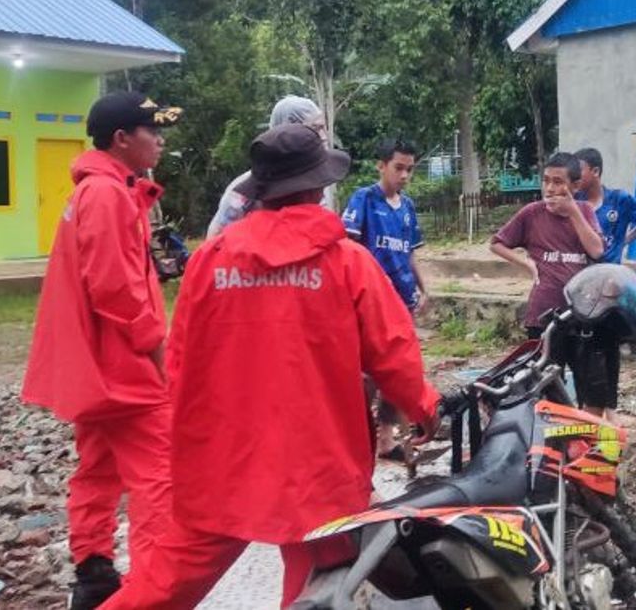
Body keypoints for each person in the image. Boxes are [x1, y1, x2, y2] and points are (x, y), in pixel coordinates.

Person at [101, 124, 441, 609]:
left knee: (164, 584)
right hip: (315, 465)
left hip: (223, 457)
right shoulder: (347, 262)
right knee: (316, 585)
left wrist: (184, 439)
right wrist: (425, 410)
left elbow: (179, 361)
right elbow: (394, 355)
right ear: (318, 188)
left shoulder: (209, 260)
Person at [22, 91, 181, 609]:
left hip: (95, 369)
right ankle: (151, 592)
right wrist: (157, 351)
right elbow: (115, 287)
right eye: (151, 131)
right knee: (158, 478)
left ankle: (94, 576)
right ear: (121, 139)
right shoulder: (108, 196)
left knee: (98, 469)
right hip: (124, 371)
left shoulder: (96, 192)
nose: (159, 139)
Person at [490, 153, 607, 416]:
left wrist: (573, 212)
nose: (551, 189)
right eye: (546, 181)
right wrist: (527, 265)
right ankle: (550, 444)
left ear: (575, 186)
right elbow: (497, 243)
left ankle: (584, 442)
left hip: (581, 314)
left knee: (591, 385)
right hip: (544, 316)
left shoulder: (585, 211)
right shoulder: (532, 214)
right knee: (545, 385)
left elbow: (597, 250)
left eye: (558, 182)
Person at [342, 137, 429, 462]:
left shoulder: (406, 208)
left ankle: (385, 438)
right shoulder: (364, 200)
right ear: (381, 166)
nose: (404, 175)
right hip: (369, 302)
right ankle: (358, 438)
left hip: (401, 300)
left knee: (398, 370)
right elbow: (348, 248)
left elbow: (409, 254)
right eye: (398, 168)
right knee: (366, 375)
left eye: (410, 169)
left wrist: (423, 288)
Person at [205, 95, 326, 238]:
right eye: (316, 128)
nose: (323, 136)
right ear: (288, 128)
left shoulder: (317, 183)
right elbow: (216, 242)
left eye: (323, 128)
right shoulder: (243, 192)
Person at [573, 147, 636, 263]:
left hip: (610, 273)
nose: (575, 177)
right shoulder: (574, 202)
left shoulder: (619, 199)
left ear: (595, 171)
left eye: (579, 171)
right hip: (581, 273)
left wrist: (625, 240)